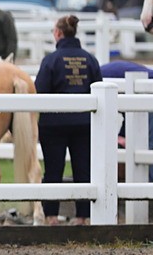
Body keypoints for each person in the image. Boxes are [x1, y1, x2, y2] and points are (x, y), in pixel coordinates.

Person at [34, 15, 103, 225]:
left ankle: (51, 216)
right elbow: (98, 88)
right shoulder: (90, 59)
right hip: (84, 124)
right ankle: (83, 216)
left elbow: (40, 91)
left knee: (53, 171)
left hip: (54, 125)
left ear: (58, 33)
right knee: (83, 169)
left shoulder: (51, 60)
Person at [101, 59, 153, 183]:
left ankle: (151, 188)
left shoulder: (99, 79)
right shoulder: (105, 73)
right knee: (133, 145)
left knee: (142, 147)